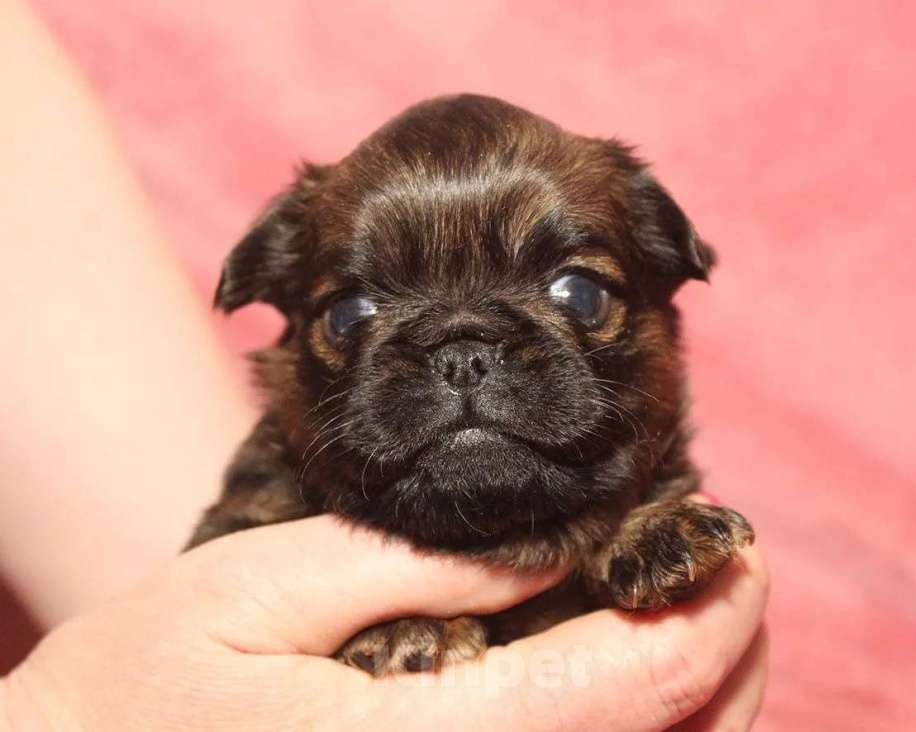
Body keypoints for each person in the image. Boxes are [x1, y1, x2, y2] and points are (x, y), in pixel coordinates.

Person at [0, 1, 769, 729]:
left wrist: (645, 551)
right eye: (354, 316)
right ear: (288, 330)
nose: (465, 364)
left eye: (577, 296)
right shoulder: (268, 512)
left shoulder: (652, 525)